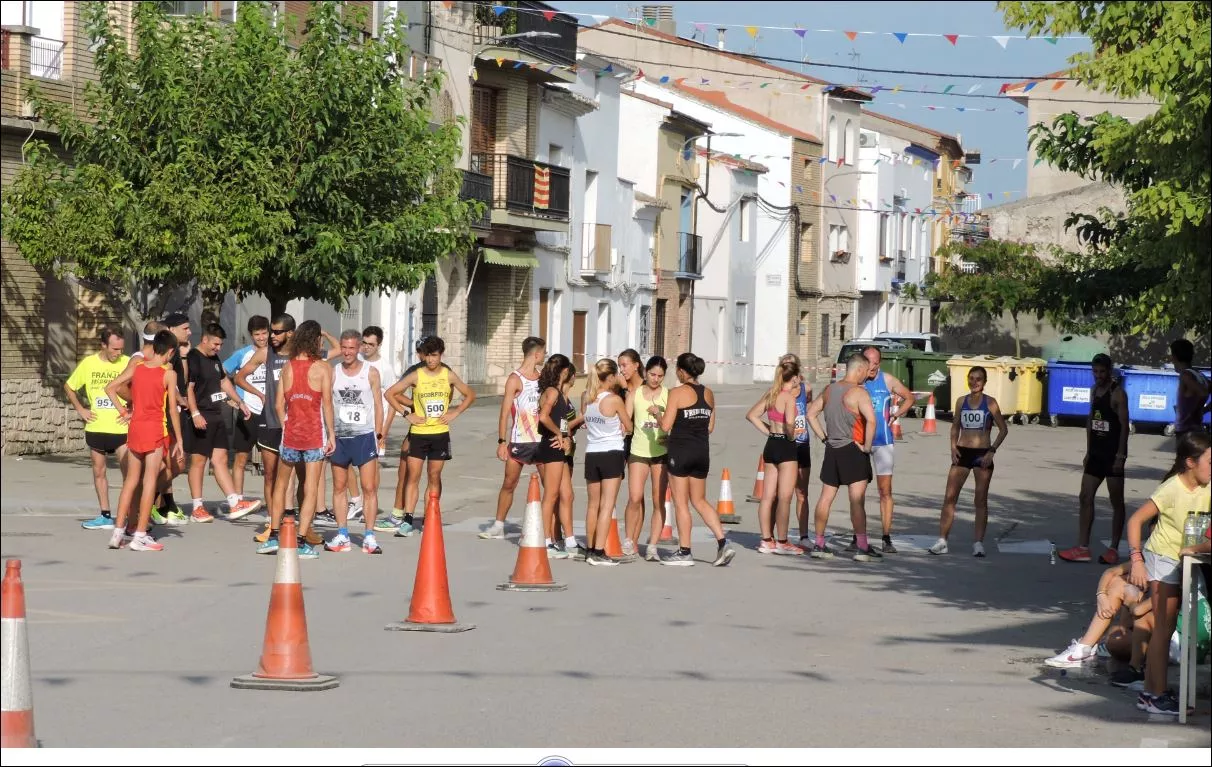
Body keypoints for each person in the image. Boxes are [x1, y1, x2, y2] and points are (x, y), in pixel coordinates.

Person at [1125, 431, 1210, 716]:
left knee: (1166, 626)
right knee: (1164, 628)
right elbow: (1136, 520)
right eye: (1210, 462)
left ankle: (1151, 691)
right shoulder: (1171, 489)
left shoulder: (1208, 486)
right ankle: (1155, 695)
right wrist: (1136, 560)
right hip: (1163, 559)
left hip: (1187, 559)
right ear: (1190, 462)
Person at [234, 314, 315, 546]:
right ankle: (273, 524)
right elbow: (239, 377)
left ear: (291, 333)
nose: (272, 336)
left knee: (302, 476)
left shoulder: (300, 355)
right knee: (271, 475)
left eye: (277, 332)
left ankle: (303, 527)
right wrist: (260, 394)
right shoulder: (264, 353)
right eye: (271, 331)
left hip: (297, 423)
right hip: (270, 422)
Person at [104, 331, 185, 551]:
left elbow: (110, 388)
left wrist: (123, 411)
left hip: (135, 428)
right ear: (170, 352)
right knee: (149, 480)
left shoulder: (137, 366)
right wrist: (179, 440)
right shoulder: (168, 373)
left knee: (130, 481)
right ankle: (140, 535)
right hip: (155, 429)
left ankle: (118, 532)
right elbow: (172, 411)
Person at [261, 320, 336, 558]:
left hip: (291, 435)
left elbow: (278, 405)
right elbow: (327, 404)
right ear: (315, 340)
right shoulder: (323, 368)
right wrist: (332, 434)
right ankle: (301, 540)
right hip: (314, 436)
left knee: (281, 485)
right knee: (310, 487)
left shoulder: (288, 367)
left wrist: (286, 425)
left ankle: (273, 535)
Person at [386, 335, 475, 536]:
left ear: (440, 355)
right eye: (427, 356)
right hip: (419, 433)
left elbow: (470, 394)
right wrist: (407, 415)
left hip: (440, 434)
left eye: (434, 356)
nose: (431, 360)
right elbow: (390, 393)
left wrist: (455, 412)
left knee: (434, 476)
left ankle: (430, 516)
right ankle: (408, 519)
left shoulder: (448, 375)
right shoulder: (416, 375)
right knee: (413, 477)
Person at [657, 353, 735, 567]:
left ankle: (684, 551)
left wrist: (657, 413)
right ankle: (723, 542)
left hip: (681, 452)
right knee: (699, 500)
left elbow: (665, 426)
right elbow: (710, 427)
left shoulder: (677, 393)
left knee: (681, 503)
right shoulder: (708, 393)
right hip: (701, 452)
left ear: (682, 371)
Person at [182, 323, 262, 522]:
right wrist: (194, 414)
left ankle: (235, 503)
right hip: (201, 415)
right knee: (199, 461)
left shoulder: (214, 359)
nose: (218, 348)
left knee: (221, 459)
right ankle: (197, 508)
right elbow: (189, 388)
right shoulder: (193, 358)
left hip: (217, 415)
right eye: (216, 344)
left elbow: (224, 381)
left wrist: (239, 401)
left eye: (220, 345)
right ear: (205, 339)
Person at [805, 353, 879, 562]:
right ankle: (862, 547)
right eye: (866, 370)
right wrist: (866, 447)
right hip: (853, 448)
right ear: (859, 370)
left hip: (833, 449)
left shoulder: (830, 390)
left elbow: (811, 414)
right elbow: (871, 422)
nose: (868, 375)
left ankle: (819, 543)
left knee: (825, 497)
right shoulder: (859, 393)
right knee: (856, 500)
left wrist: (824, 438)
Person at [929, 366, 1009, 557]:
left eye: (978, 379)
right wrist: (953, 447)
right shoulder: (960, 401)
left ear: (984, 382)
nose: (974, 382)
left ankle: (978, 543)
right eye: (971, 378)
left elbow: (1003, 429)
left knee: (980, 500)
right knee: (950, 497)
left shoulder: (990, 403)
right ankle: (942, 541)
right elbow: (955, 426)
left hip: (982, 454)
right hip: (962, 453)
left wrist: (992, 451)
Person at [377, 336, 453, 534]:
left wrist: (448, 409)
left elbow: (452, 392)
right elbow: (395, 393)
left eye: (427, 351)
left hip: (437, 430)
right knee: (406, 471)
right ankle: (398, 514)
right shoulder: (414, 371)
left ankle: (431, 514)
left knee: (434, 475)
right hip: (416, 428)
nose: (424, 355)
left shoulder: (445, 370)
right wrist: (412, 407)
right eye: (421, 351)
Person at [1059, 354, 1130, 564]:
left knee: (1116, 502)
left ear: (1110, 371)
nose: (1098, 376)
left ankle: (1114, 548)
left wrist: (1121, 455)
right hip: (1096, 454)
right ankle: (1082, 547)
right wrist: (1088, 451)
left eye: (1102, 372)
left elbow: (1125, 426)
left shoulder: (1118, 394)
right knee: (1085, 496)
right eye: (1095, 372)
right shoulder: (1094, 391)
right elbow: (1091, 421)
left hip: (1113, 455)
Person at [323, 330, 385, 555]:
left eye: (352, 348)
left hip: (365, 436)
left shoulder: (371, 372)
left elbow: (379, 405)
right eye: (344, 348)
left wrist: (379, 435)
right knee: (339, 487)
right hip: (340, 436)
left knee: (369, 487)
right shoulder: (333, 372)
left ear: (359, 348)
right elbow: (327, 404)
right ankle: (342, 535)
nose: (347, 352)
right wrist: (328, 434)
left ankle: (369, 536)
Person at [480, 337, 547, 540]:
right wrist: (501, 442)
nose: (545, 356)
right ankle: (498, 525)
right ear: (536, 354)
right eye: (543, 353)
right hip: (520, 440)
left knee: (550, 487)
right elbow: (503, 413)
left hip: (542, 441)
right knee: (509, 483)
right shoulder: (515, 379)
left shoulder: (544, 378)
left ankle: (548, 531)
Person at [64, 326, 130, 530]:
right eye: (114, 349)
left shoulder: (128, 363)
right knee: (99, 471)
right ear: (103, 345)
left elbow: (142, 390)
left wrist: (133, 412)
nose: (118, 353)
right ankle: (105, 515)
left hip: (122, 428)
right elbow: (69, 387)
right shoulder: (89, 363)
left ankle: (129, 515)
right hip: (97, 426)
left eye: (120, 349)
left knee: (129, 473)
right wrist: (81, 409)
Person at [859, 345, 915, 554]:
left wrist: (896, 414)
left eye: (876, 363)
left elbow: (909, 397)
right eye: (869, 362)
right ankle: (859, 537)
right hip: (860, 443)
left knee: (885, 491)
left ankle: (886, 537)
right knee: (858, 493)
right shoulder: (857, 381)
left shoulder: (887, 380)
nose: (872, 367)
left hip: (883, 441)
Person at [746, 360, 803, 555]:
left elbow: (752, 415)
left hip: (771, 444)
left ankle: (766, 540)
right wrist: (793, 433)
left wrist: (769, 430)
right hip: (786, 447)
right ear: (794, 378)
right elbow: (789, 424)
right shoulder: (788, 398)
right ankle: (782, 540)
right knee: (785, 498)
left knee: (767, 496)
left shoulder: (771, 393)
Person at [342, 325, 396, 524]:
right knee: (344, 462)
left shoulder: (385, 368)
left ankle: (369, 503)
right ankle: (355, 500)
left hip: (374, 426)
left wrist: (384, 431)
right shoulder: (355, 362)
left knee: (372, 468)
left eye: (371, 344)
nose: (366, 347)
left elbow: (392, 401)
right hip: (351, 424)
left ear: (379, 345)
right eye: (364, 343)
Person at [1045, 562, 1146, 667]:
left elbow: (1140, 610)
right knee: (1118, 583)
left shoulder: (1162, 572)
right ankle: (1085, 647)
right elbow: (1110, 572)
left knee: (1117, 640)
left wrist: (1131, 601)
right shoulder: (1150, 557)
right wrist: (1101, 595)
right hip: (1136, 624)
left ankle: (1138, 666)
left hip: (1152, 634)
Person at [582, 359, 632, 566]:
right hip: (611, 452)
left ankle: (590, 548)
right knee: (607, 505)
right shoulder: (613, 400)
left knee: (593, 505)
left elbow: (585, 420)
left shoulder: (587, 397)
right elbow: (628, 425)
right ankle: (599, 551)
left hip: (592, 453)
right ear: (610, 378)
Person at [534, 354, 580, 560]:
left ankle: (568, 540)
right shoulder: (551, 392)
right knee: (551, 495)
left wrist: (566, 437)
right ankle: (545, 541)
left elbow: (562, 423)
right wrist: (558, 435)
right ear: (563, 371)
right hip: (550, 447)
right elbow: (543, 417)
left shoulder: (560, 393)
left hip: (559, 448)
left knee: (566, 493)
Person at [625, 356, 669, 561]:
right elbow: (626, 422)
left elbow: (672, 424)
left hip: (660, 453)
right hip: (638, 451)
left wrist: (665, 430)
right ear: (645, 372)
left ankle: (652, 545)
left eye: (660, 376)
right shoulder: (635, 394)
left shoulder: (668, 395)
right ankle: (628, 540)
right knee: (634, 497)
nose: (656, 379)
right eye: (652, 374)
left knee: (659, 501)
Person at [222, 316, 270, 499]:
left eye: (264, 333)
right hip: (248, 412)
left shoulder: (275, 353)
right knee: (241, 458)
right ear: (251, 335)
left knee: (271, 462)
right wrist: (231, 397)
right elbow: (222, 372)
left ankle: (273, 502)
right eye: (257, 334)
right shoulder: (242, 354)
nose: (261, 338)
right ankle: (238, 500)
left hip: (270, 414)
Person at [778, 354, 815, 549]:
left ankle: (803, 536)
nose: (788, 369)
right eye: (784, 366)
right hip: (783, 445)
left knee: (802, 492)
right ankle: (777, 536)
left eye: (791, 366)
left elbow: (809, 410)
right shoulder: (776, 392)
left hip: (802, 444)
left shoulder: (805, 389)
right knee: (781, 494)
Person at [1170, 338, 1210, 440]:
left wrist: (1191, 413)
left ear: (1174, 356)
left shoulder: (1185, 375)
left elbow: (1203, 392)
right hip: (1196, 429)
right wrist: (1204, 410)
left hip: (1186, 432)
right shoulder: (1199, 374)